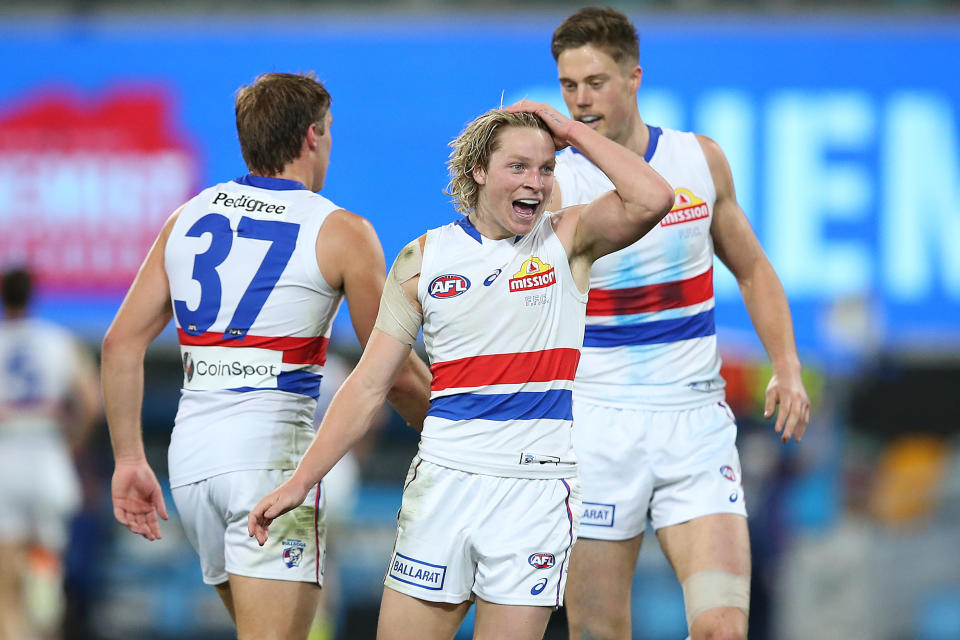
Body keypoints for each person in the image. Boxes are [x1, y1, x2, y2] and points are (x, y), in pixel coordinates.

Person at [248, 100, 674, 640]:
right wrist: (301, 482)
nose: (536, 182)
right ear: (478, 171)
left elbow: (654, 197)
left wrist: (569, 131)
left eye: (546, 168)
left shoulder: (568, 239)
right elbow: (370, 384)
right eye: (518, 167)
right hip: (444, 483)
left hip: (535, 490)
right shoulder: (423, 259)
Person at [101, 72, 432, 640]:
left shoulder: (187, 216)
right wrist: (454, 432)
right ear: (311, 135)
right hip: (271, 457)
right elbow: (395, 370)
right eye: (329, 131)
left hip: (193, 462)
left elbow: (120, 343)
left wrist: (130, 458)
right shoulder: (342, 231)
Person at [546, 8, 812, 640]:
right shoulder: (554, 184)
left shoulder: (699, 160)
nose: (580, 100)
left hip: (694, 424)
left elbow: (751, 269)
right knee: (598, 631)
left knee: (723, 627)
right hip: (595, 428)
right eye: (568, 85)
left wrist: (788, 366)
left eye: (596, 82)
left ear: (634, 77)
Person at [0, 267, 101, 640]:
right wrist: (72, 443)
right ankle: (45, 630)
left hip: (5, 454)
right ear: (33, 294)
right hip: (47, 452)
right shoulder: (58, 340)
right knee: (44, 563)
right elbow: (91, 402)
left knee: (6, 578)